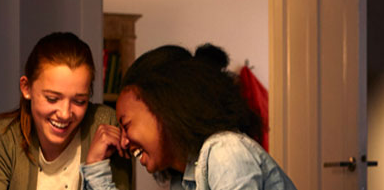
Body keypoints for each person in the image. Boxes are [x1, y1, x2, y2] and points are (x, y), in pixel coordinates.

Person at [82, 45, 296, 190]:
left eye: (127, 125)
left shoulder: (225, 153)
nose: (124, 141)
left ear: (163, 108)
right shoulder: (185, 178)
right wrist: (95, 168)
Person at [0, 32, 132, 190]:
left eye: (79, 101)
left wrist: (95, 166)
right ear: (26, 88)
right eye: (52, 99)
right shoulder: (2, 138)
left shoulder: (105, 127)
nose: (65, 113)